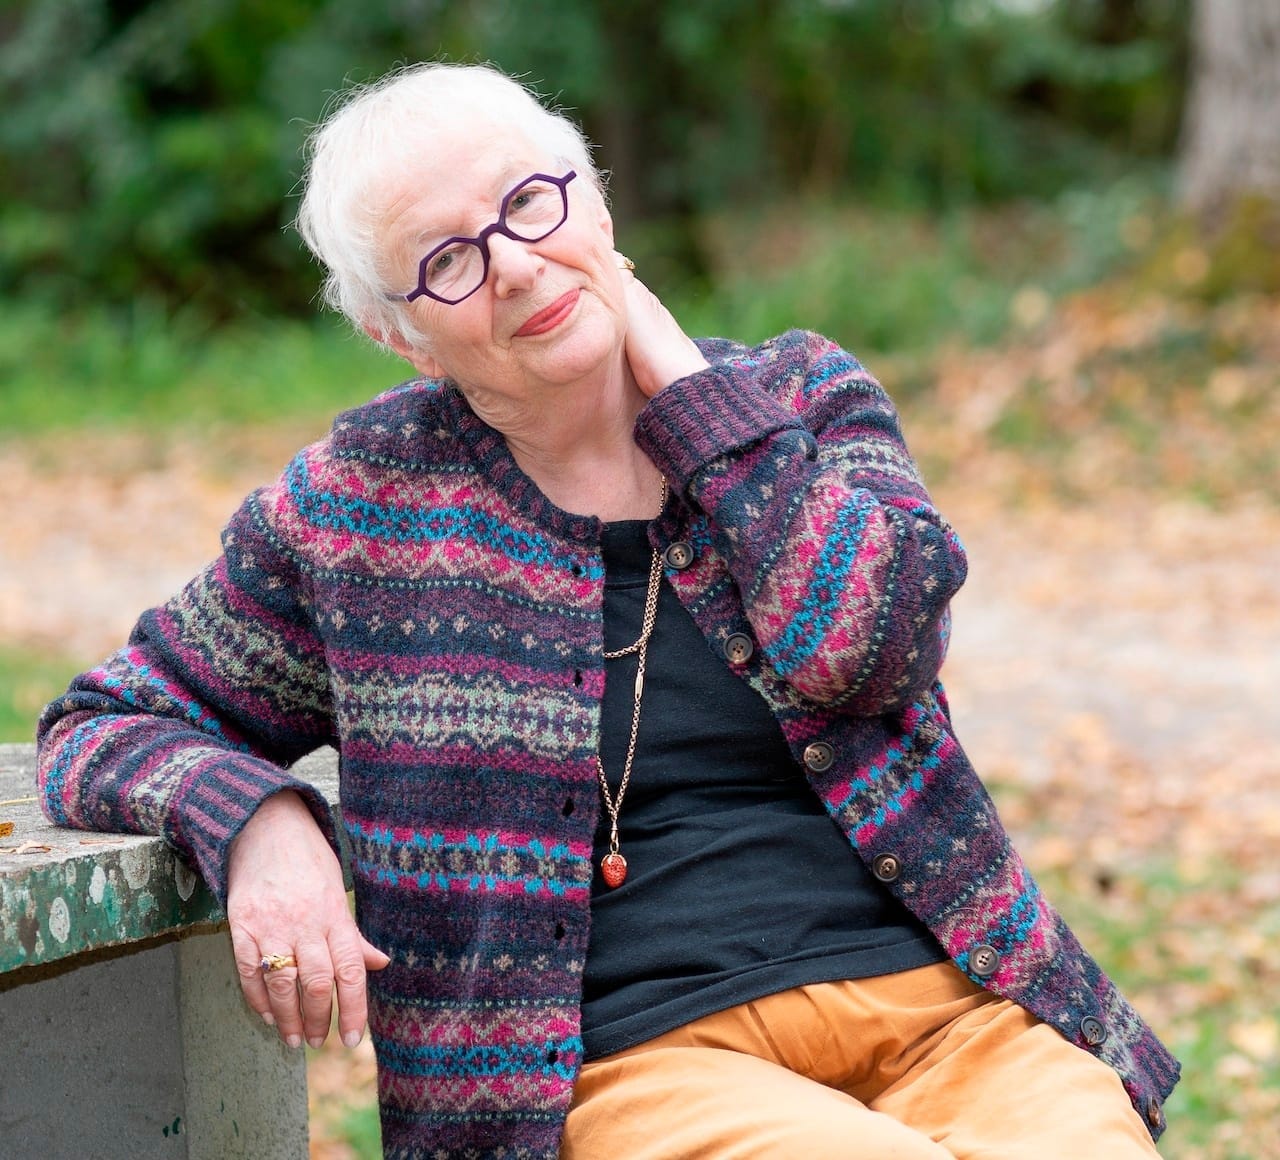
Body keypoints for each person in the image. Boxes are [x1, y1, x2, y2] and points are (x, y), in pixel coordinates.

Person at [36, 62, 1178, 1159]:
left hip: (948, 1014)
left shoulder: (799, 397)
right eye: (448, 260)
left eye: (531, 202)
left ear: (595, 200)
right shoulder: (356, 511)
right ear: (398, 334)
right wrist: (260, 822)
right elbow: (108, 719)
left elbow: (874, 651)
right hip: (632, 1064)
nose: (516, 265)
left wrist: (695, 401)